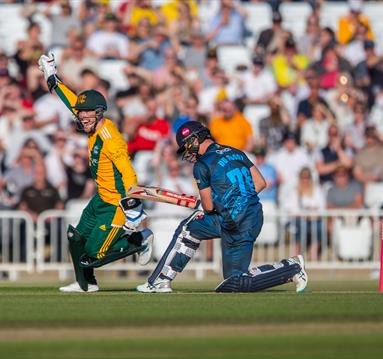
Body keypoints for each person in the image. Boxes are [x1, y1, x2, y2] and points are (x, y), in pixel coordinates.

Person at [136, 121, 308, 293]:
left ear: (196, 139)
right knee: (234, 282)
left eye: (187, 146)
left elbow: (209, 207)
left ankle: (159, 280)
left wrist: (220, 203)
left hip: (231, 220)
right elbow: (260, 182)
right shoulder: (236, 152)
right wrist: (237, 199)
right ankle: (290, 267)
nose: (187, 152)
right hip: (253, 217)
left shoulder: (202, 165)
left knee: (188, 229)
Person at [38, 53, 153, 293]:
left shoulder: (111, 139)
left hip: (117, 204)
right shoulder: (90, 123)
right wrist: (53, 78)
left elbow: (129, 173)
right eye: (81, 113)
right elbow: (72, 102)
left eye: (88, 113)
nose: (82, 116)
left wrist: (132, 207)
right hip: (101, 197)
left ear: (99, 112)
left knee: (94, 254)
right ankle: (86, 284)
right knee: (76, 239)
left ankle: (139, 240)